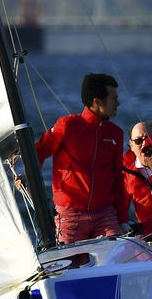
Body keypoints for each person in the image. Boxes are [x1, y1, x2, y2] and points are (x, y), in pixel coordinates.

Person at [33, 73, 129, 244]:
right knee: (70, 265)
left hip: (105, 215)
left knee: (118, 257)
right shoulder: (68, 125)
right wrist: (30, 175)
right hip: (71, 215)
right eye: (114, 98)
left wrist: (123, 220)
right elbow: (40, 150)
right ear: (97, 101)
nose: (118, 103)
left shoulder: (115, 133)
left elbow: (117, 179)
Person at [120, 121, 152, 234]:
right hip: (147, 233)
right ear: (131, 145)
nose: (144, 144)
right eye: (138, 141)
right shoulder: (125, 171)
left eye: (148, 138)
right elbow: (120, 208)